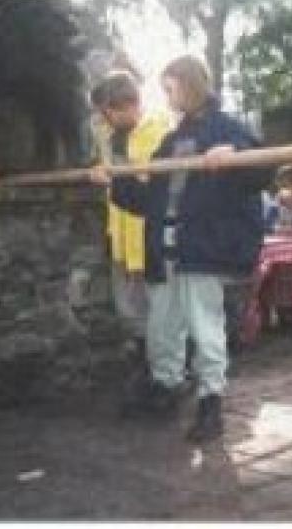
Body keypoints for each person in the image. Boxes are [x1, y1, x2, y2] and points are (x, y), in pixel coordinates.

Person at [90, 55, 268, 443]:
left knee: (205, 327)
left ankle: (210, 402)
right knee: (162, 325)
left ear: (189, 84)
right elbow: (147, 200)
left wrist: (235, 159)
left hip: (201, 246)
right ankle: (165, 387)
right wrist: (112, 182)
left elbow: (260, 175)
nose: (167, 98)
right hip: (165, 245)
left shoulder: (231, 130)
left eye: (170, 88)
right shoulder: (171, 142)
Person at [89, 70, 170, 366]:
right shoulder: (108, 135)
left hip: (147, 229)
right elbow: (107, 167)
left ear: (124, 104)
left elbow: (152, 179)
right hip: (121, 229)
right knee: (127, 300)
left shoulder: (159, 128)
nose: (104, 118)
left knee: (156, 299)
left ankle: (166, 362)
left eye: (107, 111)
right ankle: (141, 352)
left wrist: (117, 175)